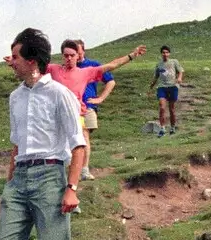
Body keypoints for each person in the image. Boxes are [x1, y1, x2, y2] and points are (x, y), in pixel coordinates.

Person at [0, 28, 88, 240]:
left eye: (16, 56)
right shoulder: (15, 97)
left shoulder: (60, 94)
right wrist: (9, 183)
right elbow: (16, 143)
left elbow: (78, 146)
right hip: (20, 177)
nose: (11, 62)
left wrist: (71, 188)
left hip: (51, 176)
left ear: (32, 61)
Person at [48, 39, 146, 169]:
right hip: (58, 117)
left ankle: (81, 172)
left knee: (80, 143)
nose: (69, 58)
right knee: (58, 147)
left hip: (78, 116)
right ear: (62, 56)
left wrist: (131, 55)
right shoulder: (53, 69)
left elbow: (112, 65)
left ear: (78, 56)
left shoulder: (85, 72)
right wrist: (15, 62)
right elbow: (34, 68)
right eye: (66, 55)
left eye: (72, 55)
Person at [75, 40, 112, 180]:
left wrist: (100, 98)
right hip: (71, 108)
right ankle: (76, 170)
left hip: (88, 106)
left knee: (84, 136)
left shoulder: (93, 65)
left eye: (78, 52)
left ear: (83, 51)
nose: (76, 56)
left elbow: (110, 81)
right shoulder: (67, 67)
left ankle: (84, 170)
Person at [150, 45, 185, 135]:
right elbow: (156, 76)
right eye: (163, 52)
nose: (165, 54)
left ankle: (172, 128)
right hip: (162, 87)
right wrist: (152, 84)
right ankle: (162, 128)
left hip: (173, 86)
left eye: (166, 52)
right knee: (162, 107)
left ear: (169, 53)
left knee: (171, 109)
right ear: (161, 54)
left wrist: (180, 78)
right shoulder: (159, 64)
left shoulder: (174, 62)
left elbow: (180, 71)